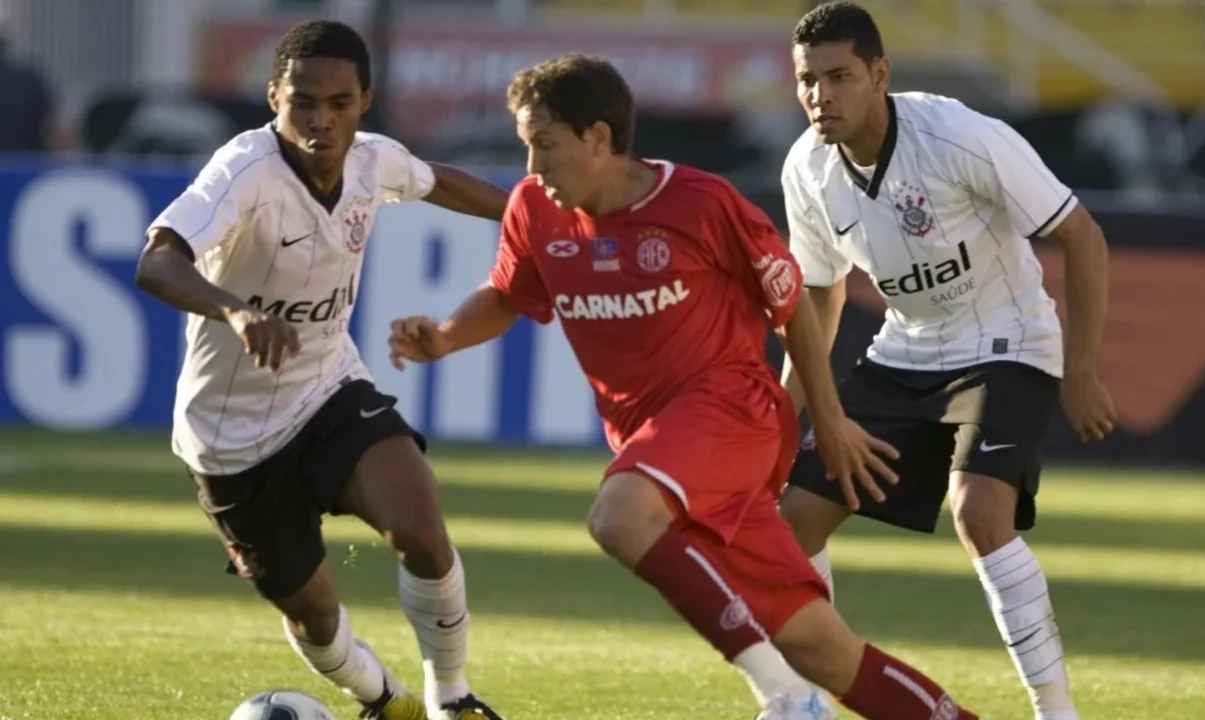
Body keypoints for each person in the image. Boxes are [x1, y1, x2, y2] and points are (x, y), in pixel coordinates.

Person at [387, 53, 981, 720]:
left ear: (599, 139)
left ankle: (784, 697)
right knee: (821, 644)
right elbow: (508, 294)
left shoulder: (701, 204)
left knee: (619, 515)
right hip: (662, 442)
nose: (532, 169)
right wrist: (442, 337)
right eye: (528, 148)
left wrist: (829, 419)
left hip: (731, 409)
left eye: (544, 147)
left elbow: (795, 310)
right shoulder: (535, 209)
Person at [747, 4, 1117, 720]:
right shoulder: (807, 168)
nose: (820, 96)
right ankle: (805, 700)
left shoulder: (961, 137)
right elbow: (817, 301)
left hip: (1006, 343)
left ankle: (1056, 711)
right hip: (903, 352)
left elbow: (1084, 235)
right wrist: (786, 413)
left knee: (978, 510)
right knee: (788, 523)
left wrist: (1082, 371)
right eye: (806, 80)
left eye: (839, 76)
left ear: (879, 74)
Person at [133, 20, 509, 720]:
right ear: (274, 96)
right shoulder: (244, 170)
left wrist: (539, 219)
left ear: (365, 100)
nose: (320, 120)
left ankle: (451, 700)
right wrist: (236, 313)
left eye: (338, 103)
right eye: (302, 101)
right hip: (230, 437)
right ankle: (383, 700)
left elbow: (440, 183)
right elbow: (157, 260)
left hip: (328, 389)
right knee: (313, 613)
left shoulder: (372, 160)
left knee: (421, 527)